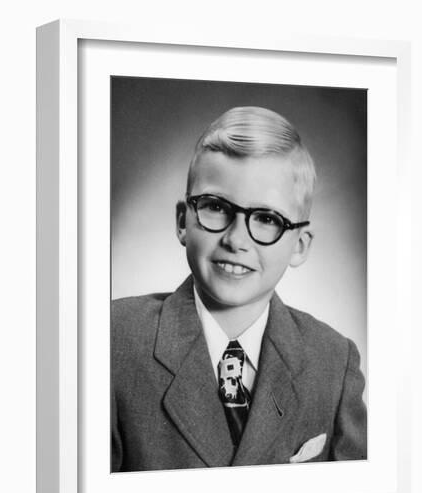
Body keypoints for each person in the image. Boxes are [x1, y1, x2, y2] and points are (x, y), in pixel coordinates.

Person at [111, 106, 367, 472]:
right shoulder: (112, 340)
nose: (236, 239)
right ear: (183, 221)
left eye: (266, 219)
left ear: (299, 245)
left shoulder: (333, 361)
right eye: (216, 207)